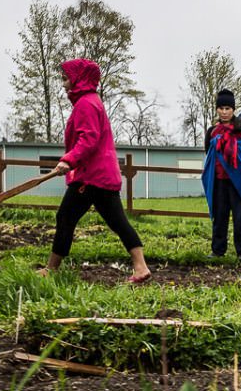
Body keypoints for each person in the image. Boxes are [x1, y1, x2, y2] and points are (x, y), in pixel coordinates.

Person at [29, 58, 152, 284]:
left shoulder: (86, 103)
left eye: (66, 79)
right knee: (116, 221)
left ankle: (51, 269)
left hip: (92, 176)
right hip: (99, 174)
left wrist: (69, 159)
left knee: (66, 216)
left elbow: (89, 139)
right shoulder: (91, 101)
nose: (64, 84)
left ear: (79, 79)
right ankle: (140, 266)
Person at [201, 88, 241, 261]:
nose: (225, 112)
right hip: (219, 180)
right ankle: (218, 250)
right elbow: (210, 153)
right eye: (221, 108)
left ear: (233, 109)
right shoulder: (213, 132)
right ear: (217, 110)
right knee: (219, 216)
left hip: (239, 182)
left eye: (228, 108)